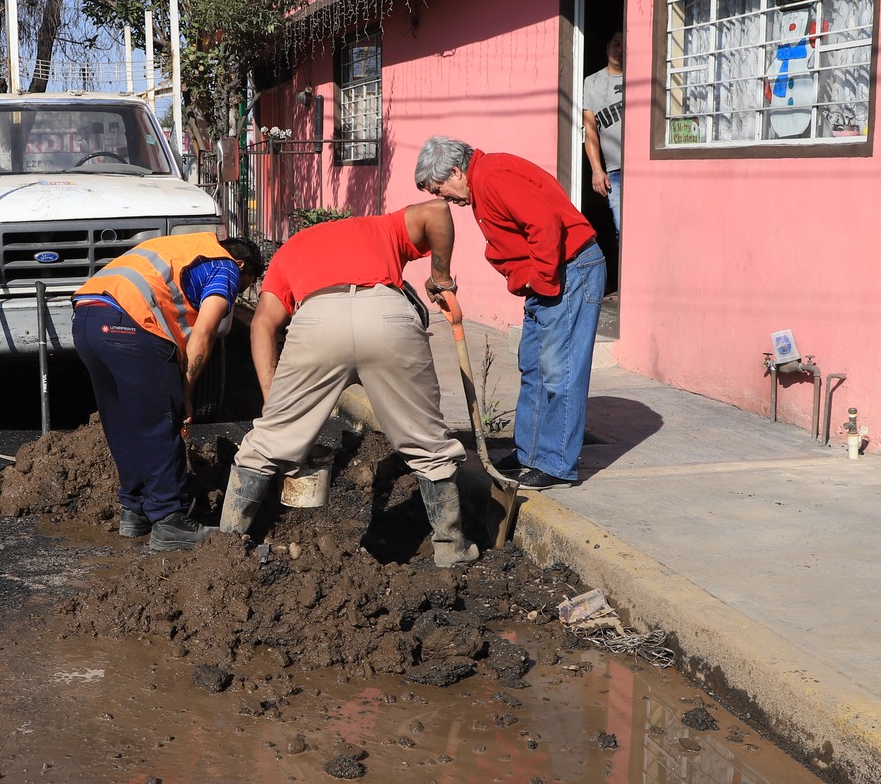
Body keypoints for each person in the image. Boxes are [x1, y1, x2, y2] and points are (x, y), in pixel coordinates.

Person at [219, 202, 478, 566]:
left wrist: (273, 403)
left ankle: (226, 547)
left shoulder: (292, 249)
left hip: (318, 321)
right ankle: (451, 549)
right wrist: (440, 277)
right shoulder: (381, 225)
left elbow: (263, 323)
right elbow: (438, 210)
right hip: (387, 316)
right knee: (428, 443)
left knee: (265, 445)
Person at [416, 136, 603, 490]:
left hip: (570, 270)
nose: (445, 200)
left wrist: (544, 282)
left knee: (558, 368)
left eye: (441, 190)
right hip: (549, 277)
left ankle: (556, 464)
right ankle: (530, 454)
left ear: (456, 171)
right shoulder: (482, 182)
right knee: (533, 364)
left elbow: (544, 223)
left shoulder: (493, 176)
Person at [73, 232, 264, 551]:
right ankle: (171, 520)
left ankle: (135, 510)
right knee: (159, 423)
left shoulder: (182, 249)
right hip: (129, 323)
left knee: (122, 420)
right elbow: (204, 333)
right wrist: (184, 393)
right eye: (247, 283)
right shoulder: (226, 267)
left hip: (87, 318)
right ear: (242, 265)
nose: (238, 293)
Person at [582, 32, 626, 237]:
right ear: (607, 47)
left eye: (625, 44)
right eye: (616, 43)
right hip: (615, 171)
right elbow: (590, 128)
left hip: (645, 167)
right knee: (621, 231)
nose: (620, 48)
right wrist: (597, 171)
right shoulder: (592, 82)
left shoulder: (640, 77)